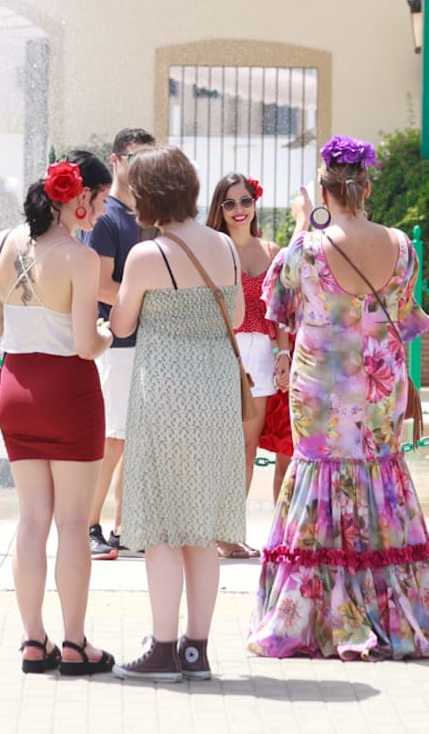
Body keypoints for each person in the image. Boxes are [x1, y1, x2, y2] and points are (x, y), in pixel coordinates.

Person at [245, 136, 429, 663]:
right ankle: (394, 610)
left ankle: (314, 614)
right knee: (379, 477)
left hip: (321, 386)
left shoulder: (305, 248)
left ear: (324, 189)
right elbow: (407, 317)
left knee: (319, 478)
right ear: (367, 186)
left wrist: (306, 223)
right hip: (379, 383)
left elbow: (278, 307)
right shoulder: (402, 246)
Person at [108, 146, 248, 681]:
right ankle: (197, 648)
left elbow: (121, 325)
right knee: (202, 528)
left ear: (148, 196)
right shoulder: (225, 247)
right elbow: (234, 314)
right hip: (214, 395)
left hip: (164, 396)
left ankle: (163, 647)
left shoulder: (148, 255)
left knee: (163, 527)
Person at [0, 153, 116, 677]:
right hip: (70, 395)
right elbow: (86, 346)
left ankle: (33, 641)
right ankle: (76, 643)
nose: (98, 212)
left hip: (16, 389)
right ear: (76, 199)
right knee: (74, 524)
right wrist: (106, 333)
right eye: (95, 202)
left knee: (32, 520)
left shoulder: (2, 244)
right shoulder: (80, 258)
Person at [83, 127, 158, 561]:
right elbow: (100, 284)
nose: (143, 166)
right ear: (116, 161)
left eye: (150, 158)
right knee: (112, 440)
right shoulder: (107, 219)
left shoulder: (148, 217)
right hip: (118, 343)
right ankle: (89, 526)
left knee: (133, 440)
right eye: (135, 158)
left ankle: (124, 527)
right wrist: (147, 302)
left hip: (145, 341)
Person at [206, 171, 285, 558]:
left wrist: (284, 353)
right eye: (230, 203)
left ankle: (229, 531)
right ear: (219, 209)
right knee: (220, 447)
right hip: (223, 354)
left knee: (247, 450)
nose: (239, 210)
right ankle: (208, 529)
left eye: (246, 201)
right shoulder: (212, 249)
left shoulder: (271, 251)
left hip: (264, 356)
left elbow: (281, 311)